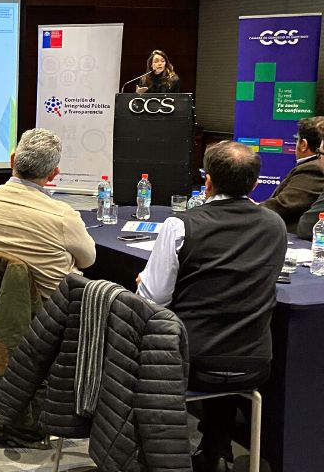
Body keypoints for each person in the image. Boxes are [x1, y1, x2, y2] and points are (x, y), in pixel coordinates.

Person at [136, 140, 286, 472]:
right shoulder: (275, 225)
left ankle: (152, 455)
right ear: (255, 184)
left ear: (208, 181)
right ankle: (215, 449)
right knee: (226, 332)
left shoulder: (180, 225)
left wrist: (145, 280)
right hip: (255, 362)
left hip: (190, 363)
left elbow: (152, 299)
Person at [0, 128, 95, 297]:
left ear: (13, 160)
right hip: (51, 307)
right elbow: (88, 260)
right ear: (53, 174)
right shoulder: (63, 216)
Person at [261, 116, 324, 231]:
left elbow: (284, 205)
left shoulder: (313, 168)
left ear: (303, 144)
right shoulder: (311, 165)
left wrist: (251, 209)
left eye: (296, 140)